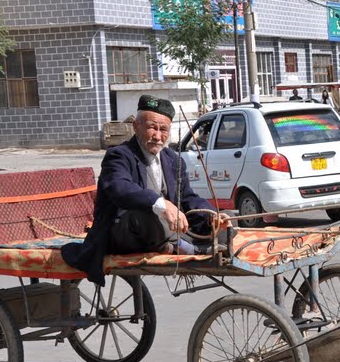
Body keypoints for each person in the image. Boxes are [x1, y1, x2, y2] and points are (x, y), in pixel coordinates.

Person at [61, 95, 230, 286]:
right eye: (152, 127)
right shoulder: (118, 156)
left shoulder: (173, 160)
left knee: (225, 222)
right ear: (136, 126)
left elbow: (187, 197)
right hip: (123, 233)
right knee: (143, 216)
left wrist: (211, 215)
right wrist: (161, 204)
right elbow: (120, 188)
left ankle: (176, 244)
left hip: (162, 231)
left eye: (163, 129)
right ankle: (189, 249)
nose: (158, 136)